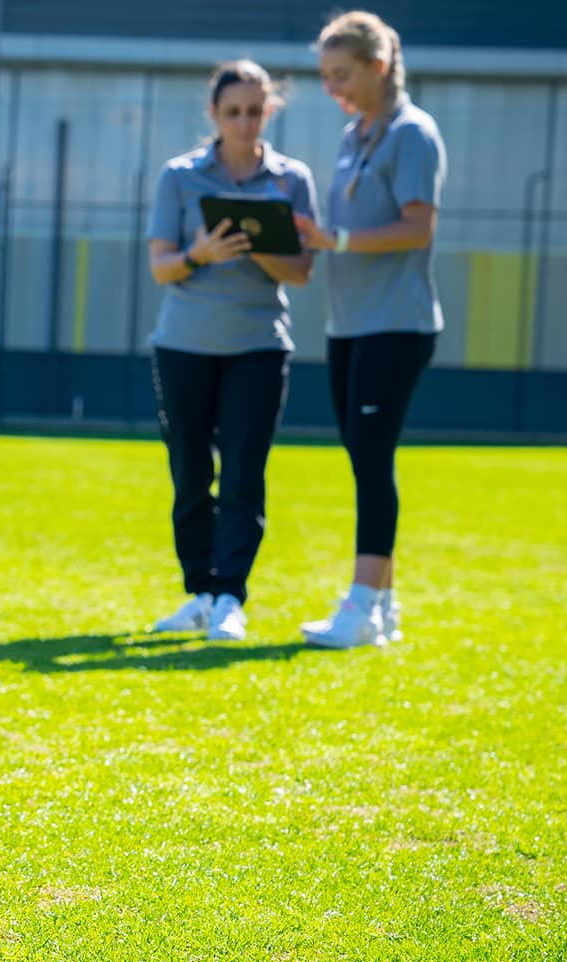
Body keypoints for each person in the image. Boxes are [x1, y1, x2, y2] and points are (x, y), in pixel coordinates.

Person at [145, 61, 317, 643]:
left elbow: (301, 272)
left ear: (270, 111)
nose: (244, 122)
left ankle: (230, 597)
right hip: (183, 346)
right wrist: (203, 254)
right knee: (191, 474)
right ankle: (199, 592)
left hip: (258, 347)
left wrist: (260, 244)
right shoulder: (179, 176)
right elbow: (161, 266)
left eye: (255, 111)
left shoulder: (292, 180)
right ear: (214, 116)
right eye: (233, 112)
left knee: (244, 475)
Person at [293, 10, 446, 650]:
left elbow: (419, 227)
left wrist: (339, 238)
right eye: (326, 77)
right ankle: (379, 604)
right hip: (349, 323)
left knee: (373, 460)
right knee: (362, 460)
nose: (334, 89)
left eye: (342, 75)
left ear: (379, 67)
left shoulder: (414, 133)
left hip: (396, 323)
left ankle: (362, 605)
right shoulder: (354, 133)